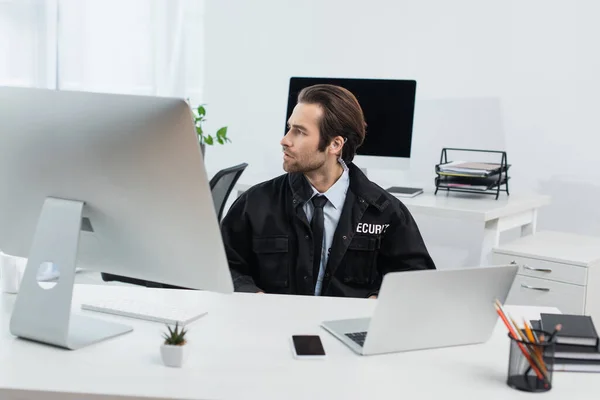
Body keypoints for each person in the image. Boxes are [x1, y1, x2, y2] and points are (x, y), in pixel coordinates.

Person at [220, 84, 435, 298]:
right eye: (289, 128)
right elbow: (224, 266)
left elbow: (418, 280)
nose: (285, 140)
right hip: (272, 326)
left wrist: (380, 298)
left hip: (347, 328)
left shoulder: (386, 212)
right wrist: (254, 295)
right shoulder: (254, 204)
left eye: (300, 132)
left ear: (335, 144)